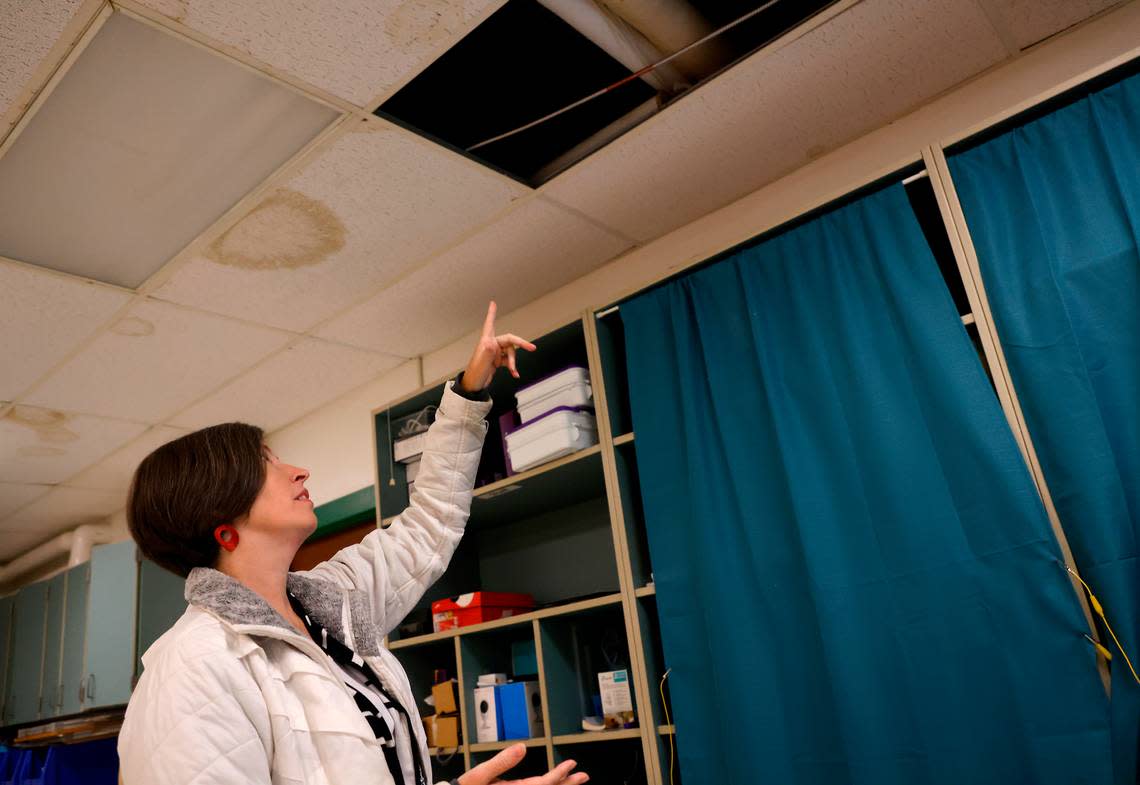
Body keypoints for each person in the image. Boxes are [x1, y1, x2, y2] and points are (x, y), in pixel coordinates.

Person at [118, 303, 589, 785]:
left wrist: (468, 395)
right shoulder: (193, 668)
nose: (298, 470)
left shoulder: (329, 604)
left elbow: (430, 522)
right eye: (265, 463)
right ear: (223, 528)